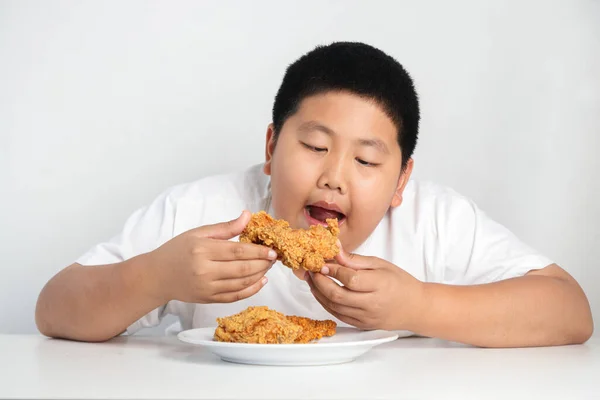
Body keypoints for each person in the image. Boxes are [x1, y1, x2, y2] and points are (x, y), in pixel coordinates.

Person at [35, 42, 593, 347]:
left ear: (402, 182)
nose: (335, 177)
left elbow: (570, 312)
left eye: (368, 160)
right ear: (272, 145)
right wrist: (156, 276)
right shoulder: (201, 213)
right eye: (315, 146)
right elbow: (53, 310)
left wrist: (420, 305)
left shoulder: (436, 221)